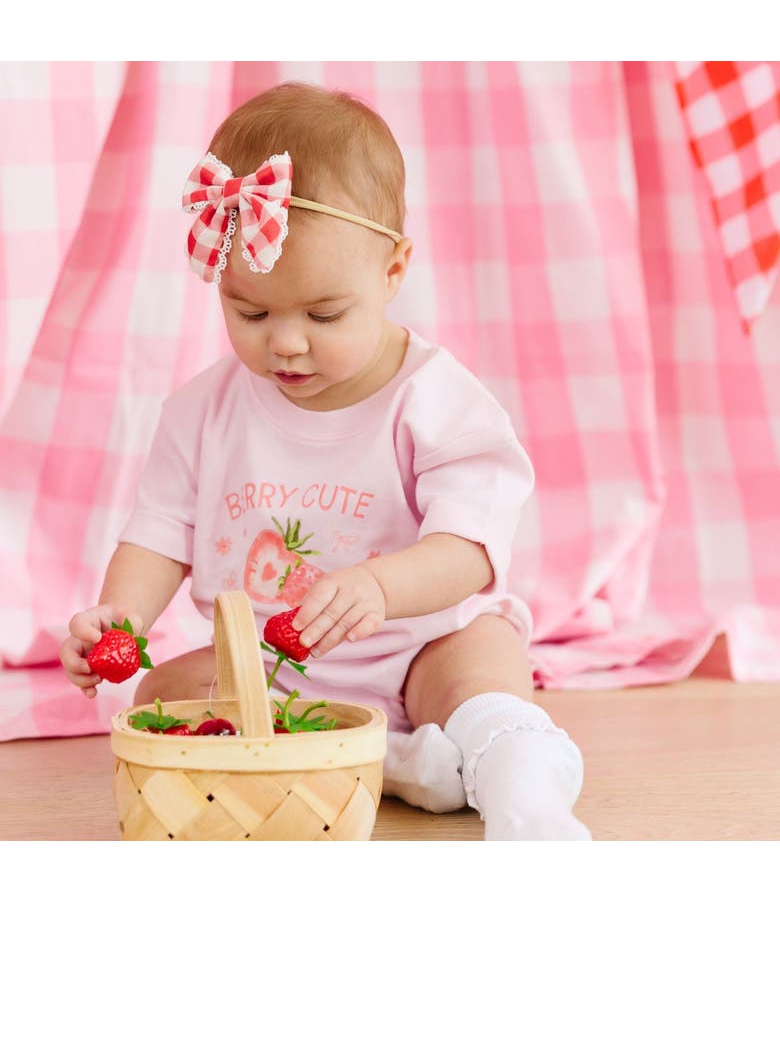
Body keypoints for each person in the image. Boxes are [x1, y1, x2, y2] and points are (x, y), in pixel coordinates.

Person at [59, 81, 590, 840]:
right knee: (160, 691)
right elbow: (157, 533)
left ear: (393, 271)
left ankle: (526, 798)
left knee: (484, 672)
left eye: (324, 314)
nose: (286, 342)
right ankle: (398, 764)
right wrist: (119, 619)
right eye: (251, 312)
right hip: (268, 673)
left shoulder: (434, 398)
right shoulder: (200, 411)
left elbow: (471, 548)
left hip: (422, 642)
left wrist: (381, 585)